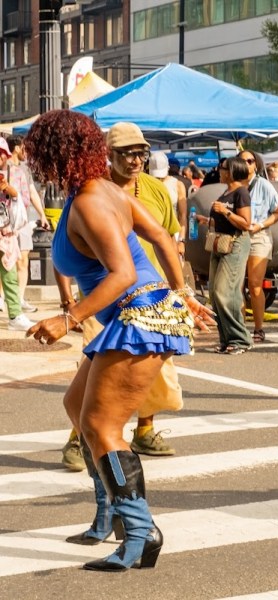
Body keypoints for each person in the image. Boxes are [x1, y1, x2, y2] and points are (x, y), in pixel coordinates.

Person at [24, 110, 213, 571]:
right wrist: (182, 294)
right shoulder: (103, 191)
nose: (35, 163)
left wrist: (67, 318)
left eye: (40, 154)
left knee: (102, 429)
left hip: (139, 317)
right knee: (78, 408)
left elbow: (124, 272)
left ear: (58, 155)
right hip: (138, 313)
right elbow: (164, 241)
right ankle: (108, 511)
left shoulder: (93, 199)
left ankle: (141, 531)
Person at [61, 121, 185, 469]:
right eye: (126, 153)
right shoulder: (96, 192)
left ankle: (134, 518)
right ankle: (89, 458)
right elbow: (68, 255)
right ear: (107, 156)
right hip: (105, 305)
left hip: (140, 307)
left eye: (140, 153)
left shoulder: (148, 191)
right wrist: (70, 305)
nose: (135, 160)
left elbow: (165, 239)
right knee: (84, 407)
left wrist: (182, 292)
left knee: (105, 418)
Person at [198, 157, 253, 354]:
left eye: (221, 168)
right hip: (220, 243)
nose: (218, 171)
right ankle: (226, 339)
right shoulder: (226, 191)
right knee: (214, 292)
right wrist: (207, 220)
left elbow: (246, 223)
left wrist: (226, 212)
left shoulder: (241, 193)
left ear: (230, 171)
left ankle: (240, 339)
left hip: (235, 243)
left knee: (225, 292)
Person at [239, 150, 278, 343]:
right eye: (242, 161)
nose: (246, 164)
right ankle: (239, 328)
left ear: (256, 164)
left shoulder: (264, 185)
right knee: (236, 286)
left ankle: (258, 328)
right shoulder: (234, 185)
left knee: (254, 285)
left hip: (258, 237)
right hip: (238, 237)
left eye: (250, 161)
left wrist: (261, 225)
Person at [6, 135, 49, 313]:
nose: (26, 152)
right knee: (6, 261)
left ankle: (20, 298)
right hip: (6, 220)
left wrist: (43, 215)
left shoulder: (25, 169)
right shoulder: (4, 167)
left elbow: (32, 192)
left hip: (23, 220)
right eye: (24, 147)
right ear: (16, 148)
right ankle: (4, 299)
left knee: (23, 260)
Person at [0, 138, 37, 331]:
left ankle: (15, 314)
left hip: (6, 233)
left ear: (6, 155)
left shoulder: (15, 173)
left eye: (1, 154)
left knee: (10, 273)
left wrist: (6, 187)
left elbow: (22, 199)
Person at [149, 150, 188, 254]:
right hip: (151, 232)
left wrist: (181, 240)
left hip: (173, 233)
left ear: (168, 168)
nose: (159, 178)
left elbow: (182, 215)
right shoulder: (146, 183)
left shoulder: (178, 185)